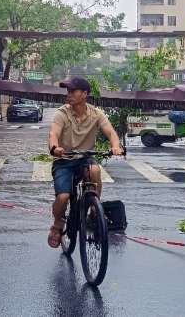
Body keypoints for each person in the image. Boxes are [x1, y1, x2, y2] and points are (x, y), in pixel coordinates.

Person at [47, 76, 123, 248]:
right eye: (68, 91)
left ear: (84, 94)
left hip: (85, 158)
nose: (69, 94)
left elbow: (111, 133)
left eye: (73, 91)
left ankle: (94, 208)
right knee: (63, 196)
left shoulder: (96, 114)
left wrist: (116, 146)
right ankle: (57, 223)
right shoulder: (62, 113)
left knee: (95, 171)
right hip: (64, 160)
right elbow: (53, 134)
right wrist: (54, 148)